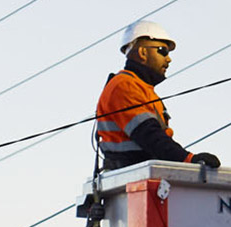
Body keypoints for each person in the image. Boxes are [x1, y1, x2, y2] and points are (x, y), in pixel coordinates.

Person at [94, 20, 220, 171]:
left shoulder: (143, 89)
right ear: (142, 52)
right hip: (130, 175)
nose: (168, 59)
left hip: (141, 173)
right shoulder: (124, 86)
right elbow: (149, 136)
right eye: (162, 51)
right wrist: (188, 159)